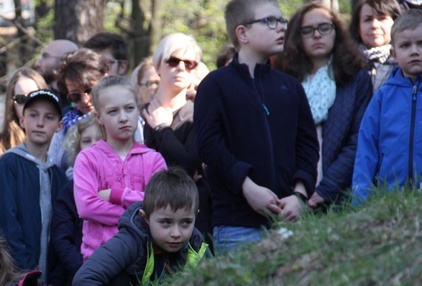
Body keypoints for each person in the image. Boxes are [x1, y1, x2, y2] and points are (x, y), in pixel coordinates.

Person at [194, 0, 319, 253]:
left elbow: (307, 146)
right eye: (270, 21)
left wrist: (299, 195)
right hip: (236, 225)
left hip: (290, 220)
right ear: (242, 33)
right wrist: (246, 186)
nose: (281, 27)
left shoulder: (290, 87)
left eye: (282, 20)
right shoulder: (215, 85)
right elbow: (209, 146)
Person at [274, 2, 373, 208]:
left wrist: (327, 187)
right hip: (287, 195)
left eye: (324, 27)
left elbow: (358, 139)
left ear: (336, 31)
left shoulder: (356, 79)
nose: (317, 35)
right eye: (307, 30)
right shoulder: (283, 82)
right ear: (297, 37)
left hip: (341, 195)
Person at [72, 168, 209, 286]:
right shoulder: (130, 240)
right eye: (166, 222)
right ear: (146, 218)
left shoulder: (198, 247)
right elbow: (84, 279)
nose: (176, 233)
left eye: (186, 222)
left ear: (196, 217)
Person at [0, 90, 68, 286]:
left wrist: (57, 282)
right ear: (22, 119)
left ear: (59, 126)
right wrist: (26, 275)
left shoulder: (58, 175)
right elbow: (4, 222)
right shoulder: (9, 164)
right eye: (33, 115)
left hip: (52, 285)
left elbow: (65, 230)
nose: (40, 122)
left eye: (49, 117)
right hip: (14, 279)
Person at [74, 76, 167, 261]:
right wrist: (140, 214)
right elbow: (86, 207)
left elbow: (161, 206)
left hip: (146, 258)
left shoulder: (154, 160)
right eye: (113, 111)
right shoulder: (87, 158)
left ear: (137, 110)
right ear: (99, 117)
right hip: (100, 258)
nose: (123, 118)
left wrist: (116, 195)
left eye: (129, 108)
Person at [142, 33, 213, 243]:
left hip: (188, 218)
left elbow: (190, 162)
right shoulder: (136, 113)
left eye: (189, 63)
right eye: (173, 61)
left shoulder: (200, 113)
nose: (181, 68)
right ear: (157, 66)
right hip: (141, 210)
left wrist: (162, 129)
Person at [352, 8, 422, 202]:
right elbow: (366, 150)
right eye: (406, 45)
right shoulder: (382, 97)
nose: (415, 51)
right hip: (389, 199)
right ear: (394, 53)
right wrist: (360, 200)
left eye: (421, 44)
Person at [51, 114, 102, 286]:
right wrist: (84, 270)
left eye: (100, 139)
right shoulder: (70, 190)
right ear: (78, 148)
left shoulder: (120, 182)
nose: (94, 145)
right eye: (87, 141)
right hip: (80, 275)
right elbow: (61, 239)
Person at [51, 50, 111, 169]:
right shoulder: (64, 127)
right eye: (75, 96)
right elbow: (54, 169)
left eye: (90, 90)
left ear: (105, 81)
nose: (84, 100)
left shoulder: (123, 118)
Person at [0, 68, 49, 158]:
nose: (28, 104)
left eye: (34, 97)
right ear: (12, 105)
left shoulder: (58, 141)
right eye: (21, 99)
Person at [349, 0, 402, 92]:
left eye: (381, 18)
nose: (374, 25)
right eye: (368, 20)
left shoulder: (405, 63)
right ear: (358, 27)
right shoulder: (346, 65)